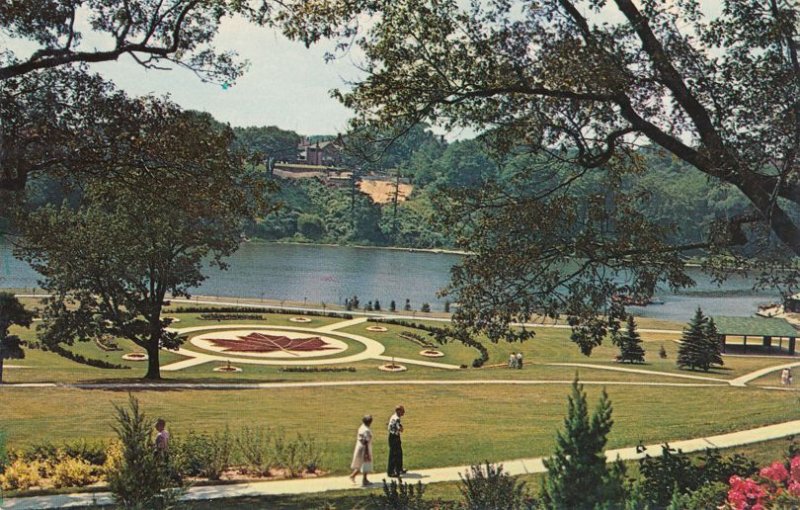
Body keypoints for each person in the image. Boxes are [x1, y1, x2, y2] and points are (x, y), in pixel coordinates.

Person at [349, 415, 374, 486]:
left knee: (360, 463)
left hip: (359, 446)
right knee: (365, 463)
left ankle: (354, 476)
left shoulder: (361, 427)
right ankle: (363, 479)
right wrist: (366, 452)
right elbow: (366, 441)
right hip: (364, 448)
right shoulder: (366, 430)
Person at [387, 405, 406, 477]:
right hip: (394, 437)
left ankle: (399, 468)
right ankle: (391, 472)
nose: (403, 412)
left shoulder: (393, 416)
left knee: (399, 454)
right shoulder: (397, 418)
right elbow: (400, 429)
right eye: (402, 411)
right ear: (398, 411)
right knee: (394, 455)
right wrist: (401, 428)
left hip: (392, 437)